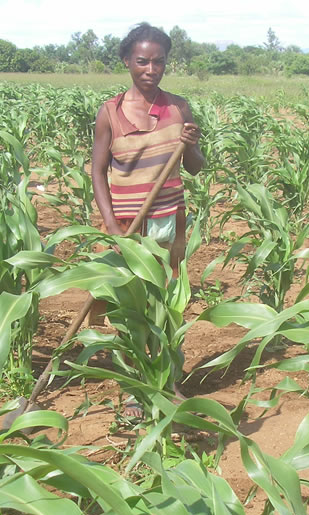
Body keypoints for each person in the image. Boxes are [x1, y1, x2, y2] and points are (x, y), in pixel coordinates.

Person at [89, 23, 205, 416]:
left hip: (168, 220)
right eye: (142, 61)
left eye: (159, 62)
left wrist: (190, 146)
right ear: (127, 62)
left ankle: (169, 381)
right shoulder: (110, 113)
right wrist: (112, 225)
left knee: (168, 300)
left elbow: (195, 168)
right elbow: (98, 171)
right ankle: (135, 385)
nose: (151, 69)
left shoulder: (178, 107)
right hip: (126, 223)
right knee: (131, 304)